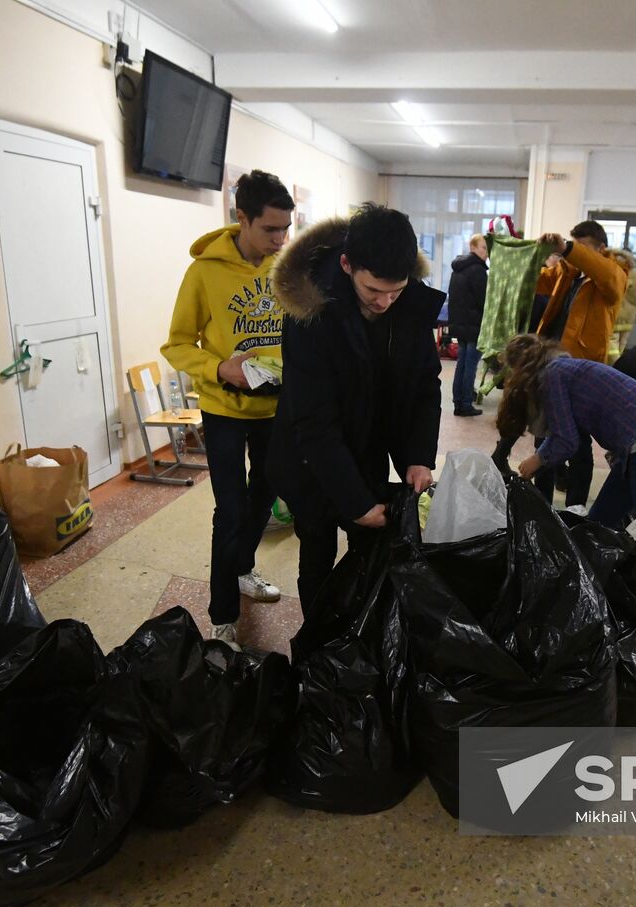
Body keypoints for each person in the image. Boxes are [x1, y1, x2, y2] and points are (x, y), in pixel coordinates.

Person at [498, 333, 636, 701]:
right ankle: (588, 615)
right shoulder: (569, 367)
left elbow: (566, 440)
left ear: (523, 368)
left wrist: (533, 463)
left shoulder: (555, 374)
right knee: (595, 529)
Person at [268, 203, 443, 616]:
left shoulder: (409, 305)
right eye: (373, 291)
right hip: (312, 459)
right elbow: (313, 421)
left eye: (395, 292)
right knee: (317, 551)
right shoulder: (310, 312)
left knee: (372, 552)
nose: (384, 302)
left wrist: (418, 457)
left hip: (367, 448)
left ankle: (361, 641)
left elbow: (423, 386)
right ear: (347, 265)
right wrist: (353, 501)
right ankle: (317, 645)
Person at [161, 170, 293, 648]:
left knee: (265, 501)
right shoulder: (204, 271)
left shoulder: (287, 268)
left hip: (277, 409)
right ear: (242, 218)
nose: (280, 240)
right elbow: (176, 344)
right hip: (224, 409)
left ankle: (243, 568)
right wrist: (220, 369)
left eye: (285, 229)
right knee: (231, 510)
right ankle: (222, 614)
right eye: (270, 229)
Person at [530, 222, 627, 506]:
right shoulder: (568, 273)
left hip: (581, 373)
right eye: (572, 246)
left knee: (579, 446)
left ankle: (576, 510)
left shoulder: (614, 276)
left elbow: (604, 273)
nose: (572, 254)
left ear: (601, 249)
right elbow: (537, 280)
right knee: (543, 438)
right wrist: (539, 253)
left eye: (581, 248)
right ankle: (540, 505)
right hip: (549, 369)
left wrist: (569, 249)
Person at [447, 234, 489, 416]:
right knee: (470, 365)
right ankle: (465, 404)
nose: (486, 252)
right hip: (474, 325)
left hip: (461, 324)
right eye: (483, 248)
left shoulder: (458, 268)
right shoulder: (477, 270)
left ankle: (458, 401)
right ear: (473, 247)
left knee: (462, 364)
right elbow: (484, 300)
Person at [608, 248, 636, 362]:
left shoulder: (612, 271)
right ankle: (619, 369)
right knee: (620, 350)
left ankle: (615, 371)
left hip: (613, 318)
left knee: (611, 352)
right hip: (628, 320)